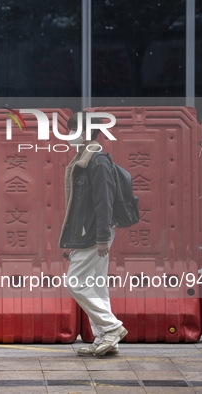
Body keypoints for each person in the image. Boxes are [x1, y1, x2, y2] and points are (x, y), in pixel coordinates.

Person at [59, 111, 128, 356]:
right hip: (88, 230)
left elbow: (104, 202)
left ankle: (111, 328)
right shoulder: (85, 158)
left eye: (73, 131)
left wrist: (101, 237)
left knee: (75, 283)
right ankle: (105, 339)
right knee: (96, 285)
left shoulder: (97, 162)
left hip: (93, 232)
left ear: (87, 133)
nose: (68, 136)